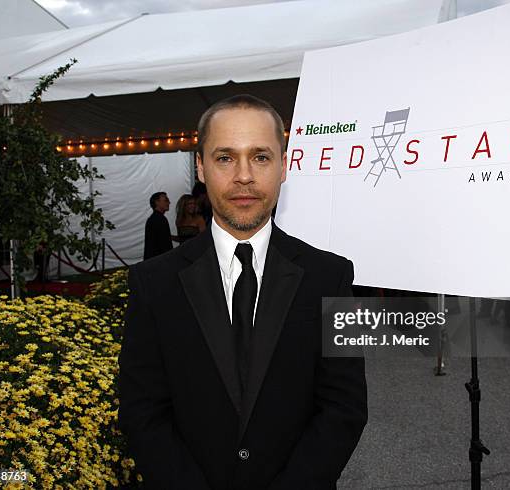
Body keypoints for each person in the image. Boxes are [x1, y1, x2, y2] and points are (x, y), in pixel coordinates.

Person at [119, 95, 368, 490]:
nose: (244, 176)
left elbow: (345, 408)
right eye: (224, 158)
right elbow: (142, 411)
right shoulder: (153, 283)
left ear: (284, 165)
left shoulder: (331, 277)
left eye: (261, 157)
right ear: (200, 166)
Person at [143, 191, 173, 260]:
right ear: (157, 202)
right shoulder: (160, 219)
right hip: (159, 260)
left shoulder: (153, 218)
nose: (169, 203)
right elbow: (165, 244)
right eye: (166, 200)